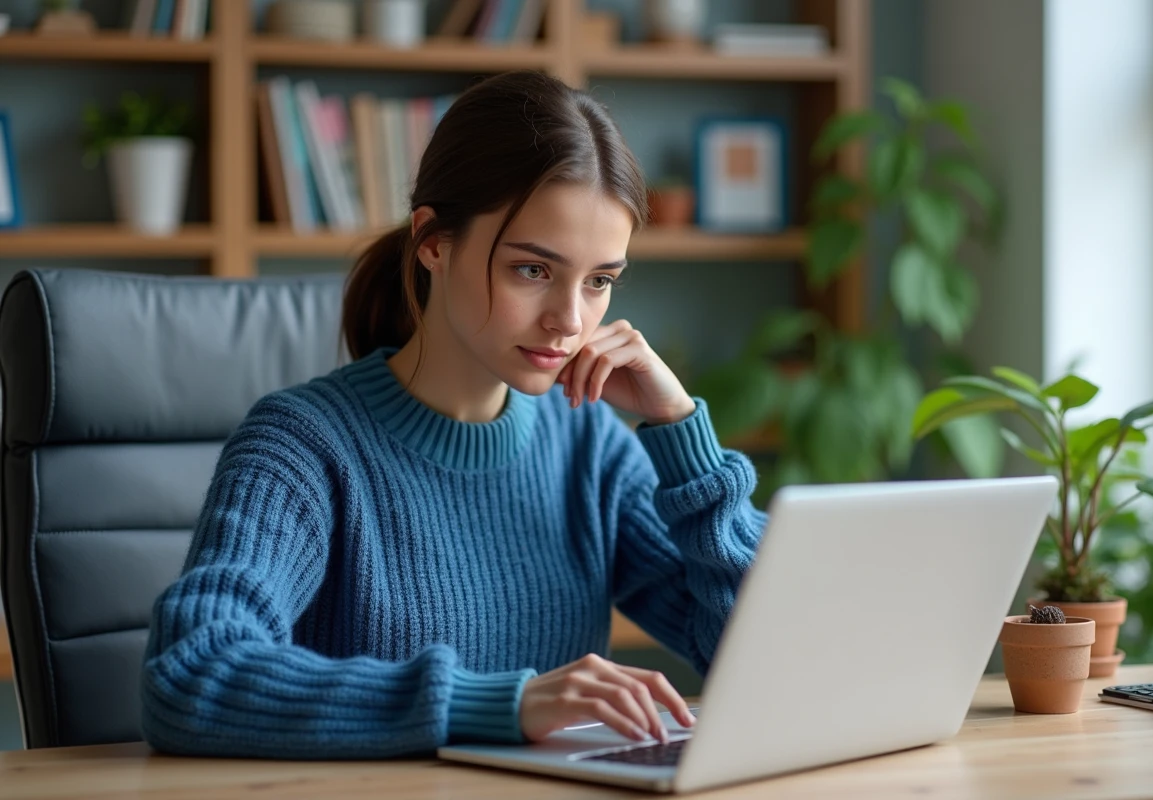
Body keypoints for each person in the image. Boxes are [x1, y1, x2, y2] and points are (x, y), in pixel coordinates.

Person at [140, 69, 767, 760]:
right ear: (434, 242)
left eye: (599, 281)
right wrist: (497, 704)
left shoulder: (586, 444)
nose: (569, 320)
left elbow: (762, 656)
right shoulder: (302, 448)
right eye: (533, 270)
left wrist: (683, 436)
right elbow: (190, 673)